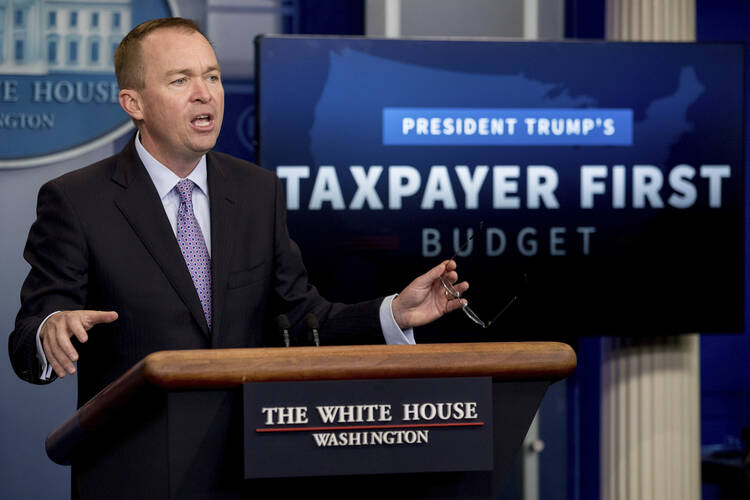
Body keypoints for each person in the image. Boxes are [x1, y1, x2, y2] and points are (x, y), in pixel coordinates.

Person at [8, 17, 468, 407]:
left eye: (212, 76)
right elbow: (28, 335)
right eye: (180, 80)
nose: (205, 93)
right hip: (136, 468)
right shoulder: (77, 199)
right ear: (134, 104)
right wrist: (51, 329)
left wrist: (393, 314)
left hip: (246, 462)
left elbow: (304, 319)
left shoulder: (257, 191)